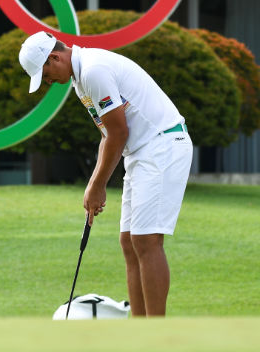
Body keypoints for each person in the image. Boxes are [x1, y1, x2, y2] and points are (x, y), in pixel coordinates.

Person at [18, 31, 192, 317]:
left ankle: (157, 335)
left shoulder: (94, 70)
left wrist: (98, 186)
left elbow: (119, 132)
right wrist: (93, 185)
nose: (47, 82)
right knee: (129, 242)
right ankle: (138, 329)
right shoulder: (80, 79)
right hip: (141, 152)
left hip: (163, 145)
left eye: (45, 73)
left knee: (146, 241)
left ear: (55, 57)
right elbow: (108, 134)